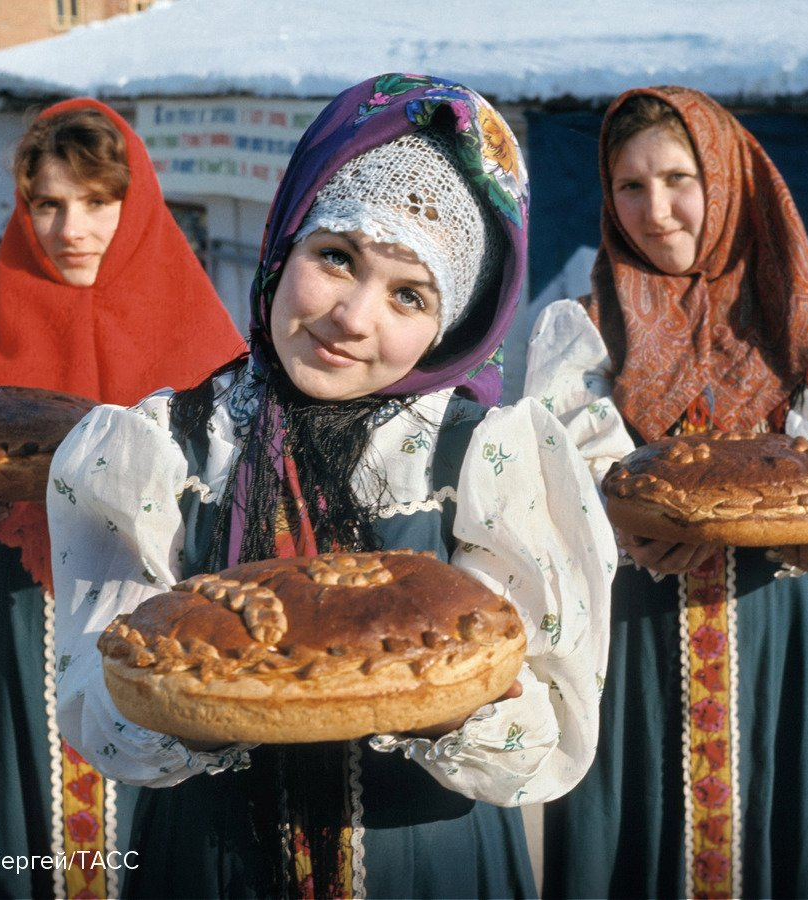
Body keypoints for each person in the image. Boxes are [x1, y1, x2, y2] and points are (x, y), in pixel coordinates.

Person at [48, 73, 615, 899]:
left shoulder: (486, 457)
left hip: (426, 866)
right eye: (337, 256)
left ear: (451, 325)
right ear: (285, 244)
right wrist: (204, 710)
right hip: (209, 865)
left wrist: (453, 701)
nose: (353, 316)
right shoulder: (157, 447)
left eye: (409, 294)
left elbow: (550, 728)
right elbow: (102, 704)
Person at [526, 86, 808, 899]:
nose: (654, 211)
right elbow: (552, 487)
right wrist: (618, 524)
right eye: (629, 186)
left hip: (777, 634)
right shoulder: (583, 329)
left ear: (728, 179)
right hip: (632, 643)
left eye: (677, 179)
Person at [0, 98, 244, 899]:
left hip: (162, 611)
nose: (70, 227)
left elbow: (237, 475)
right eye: (48, 204)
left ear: (137, 202)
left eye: (96, 201)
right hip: (27, 608)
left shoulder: (199, 324)